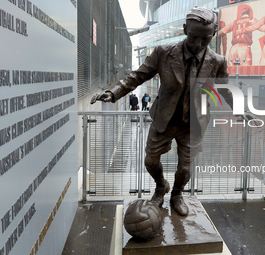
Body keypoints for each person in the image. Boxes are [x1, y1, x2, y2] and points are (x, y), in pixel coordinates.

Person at [91, 7, 248, 216]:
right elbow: (137, 76)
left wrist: (241, 109)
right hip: (164, 119)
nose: (199, 44)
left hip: (193, 123)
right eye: (194, 37)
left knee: (185, 168)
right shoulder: (163, 52)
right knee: (150, 161)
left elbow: (225, 88)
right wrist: (113, 92)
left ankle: (176, 195)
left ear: (214, 33)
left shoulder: (218, 62)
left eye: (206, 38)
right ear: (185, 29)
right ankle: (160, 186)